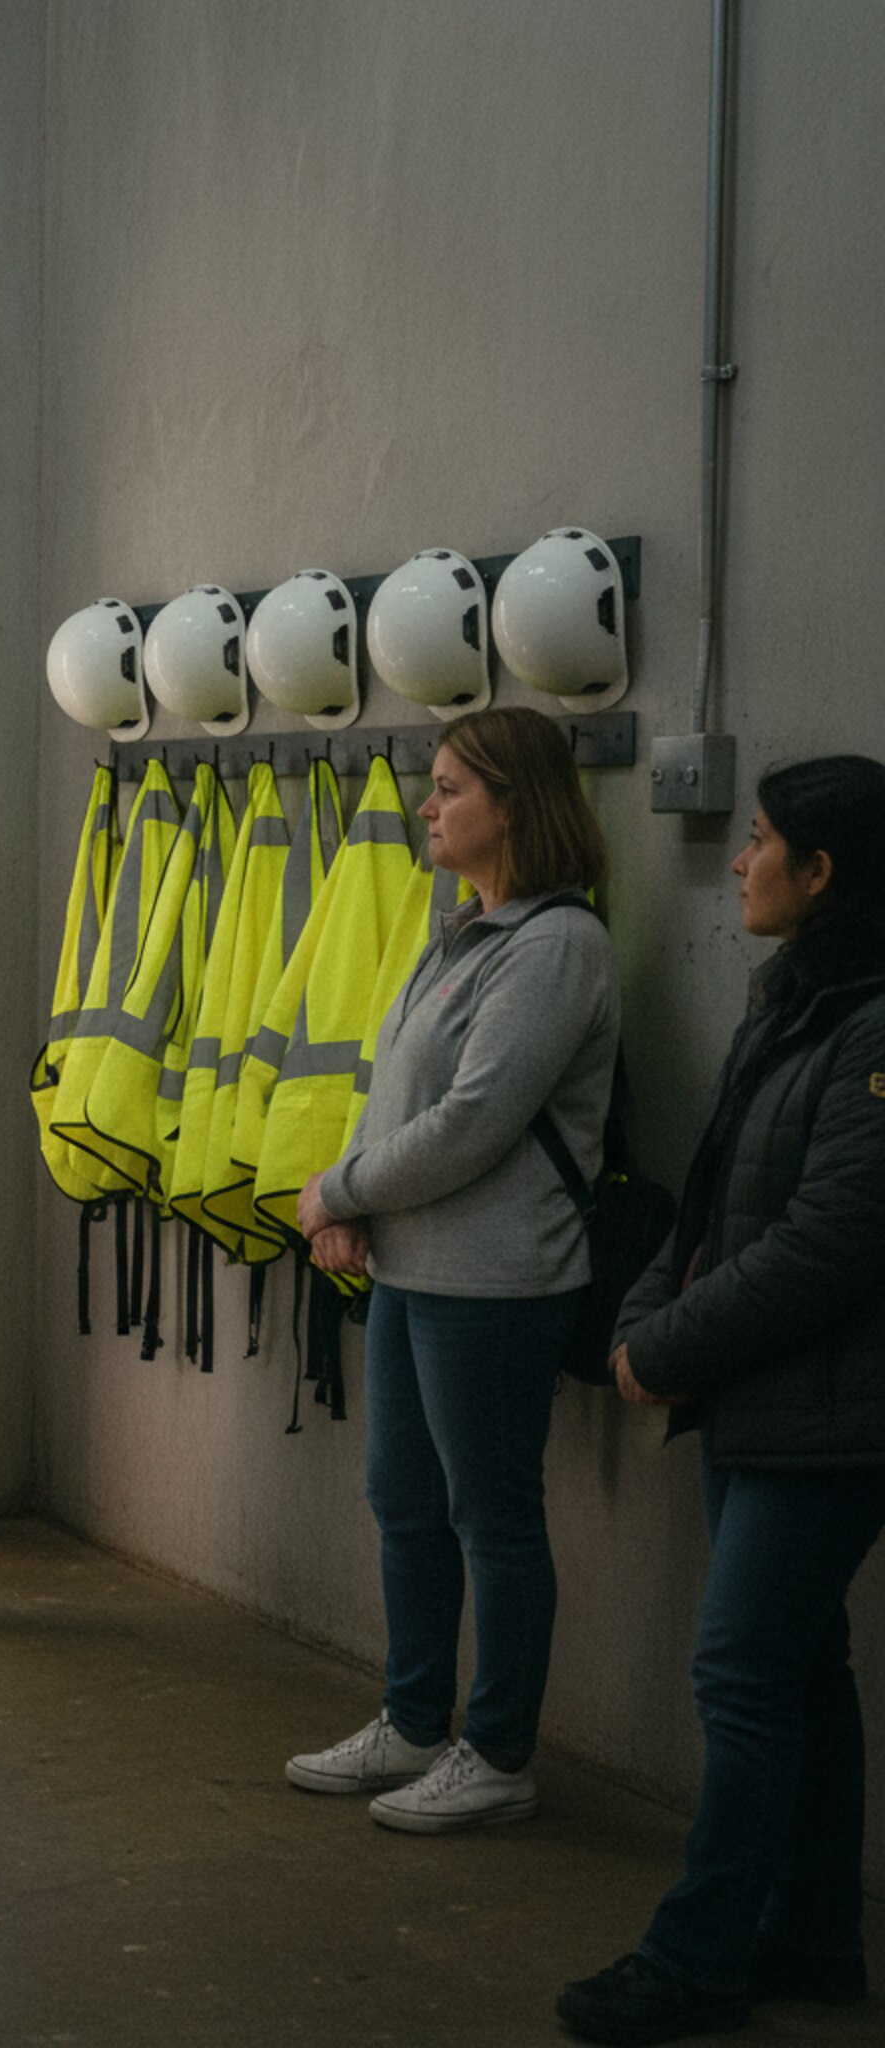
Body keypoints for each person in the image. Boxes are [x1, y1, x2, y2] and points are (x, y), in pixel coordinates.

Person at [557, 756, 885, 2047]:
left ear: (823, 874)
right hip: (764, 1395)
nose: (739, 864)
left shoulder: (872, 1029)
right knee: (802, 1668)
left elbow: (830, 1243)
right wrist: (646, 1316)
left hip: (833, 1411)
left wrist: (669, 1347)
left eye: (760, 844)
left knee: (740, 1672)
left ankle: (696, 1960)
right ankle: (811, 1935)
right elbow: (708, 1201)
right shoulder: (795, 999)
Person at [288, 705, 617, 1830]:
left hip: (494, 1283)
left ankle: (496, 1752)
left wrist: (338, 1191)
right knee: (404, 1501)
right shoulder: (462, 930)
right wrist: (353, 1205)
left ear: (514, 804)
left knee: (491, 1517)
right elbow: (401, 1096)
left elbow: (475, 1119)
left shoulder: (558, 944)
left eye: (447, 788)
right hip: (410, 1266)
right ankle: (414, 1719)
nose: (426, 806)